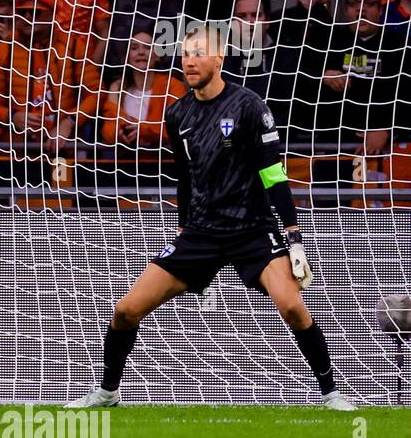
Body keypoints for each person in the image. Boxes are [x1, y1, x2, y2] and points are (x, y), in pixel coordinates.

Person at [67, 25, 356, 412]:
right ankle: (107, 392)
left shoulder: (250, 106)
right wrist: (184, 227)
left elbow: (273, 174)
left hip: (253, 227)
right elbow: (185, 178)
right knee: (125, 310)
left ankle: (331, 394)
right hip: (202, 231)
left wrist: (294, 237)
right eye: (186, 53)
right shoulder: (178, 113)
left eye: (199, 53)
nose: (189, 60)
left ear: (219, 59)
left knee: (291, 306)